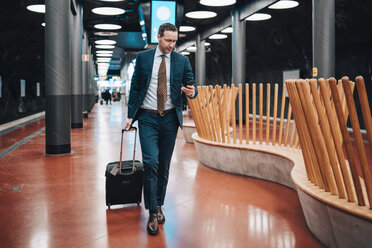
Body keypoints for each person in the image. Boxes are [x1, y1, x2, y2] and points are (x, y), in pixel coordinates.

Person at [124, 23, 197, 235]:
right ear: (158, 37)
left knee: (163, 165)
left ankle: (158, 204)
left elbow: (192, 87)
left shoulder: (182, 61)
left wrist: (192, 92)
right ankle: (152, 212)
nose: (171, 45)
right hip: (147, 117)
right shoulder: (144, 58)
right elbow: (136, 86)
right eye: (167, 41)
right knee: (150, 162)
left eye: (174, 41)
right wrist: (131, 115)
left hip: (169, 120)